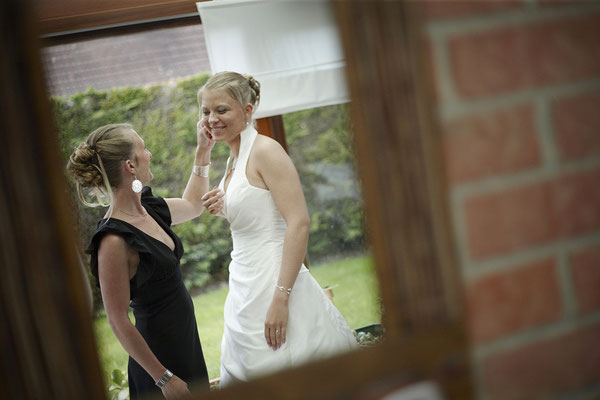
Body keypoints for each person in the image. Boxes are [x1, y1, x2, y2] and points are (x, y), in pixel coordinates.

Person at [198, 72, 358, 387]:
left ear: (247, 110)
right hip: (244, 282)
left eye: (222, 110)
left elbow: (299, 222)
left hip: (276, 281)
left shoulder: (266, 151)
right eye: (205, 111)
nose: (212, 119)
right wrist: (224, 208)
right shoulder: (232, 159)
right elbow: (256, 215)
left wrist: (281, 298)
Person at [67, 122, 220, 399]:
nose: (149, 154)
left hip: (186, 345)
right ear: (130, 166)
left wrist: (203, 150)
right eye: (143, 148)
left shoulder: (149, 209)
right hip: (159, 365)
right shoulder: (114, 240)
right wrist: (164, 379)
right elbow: (117, 319)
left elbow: (194, 205)